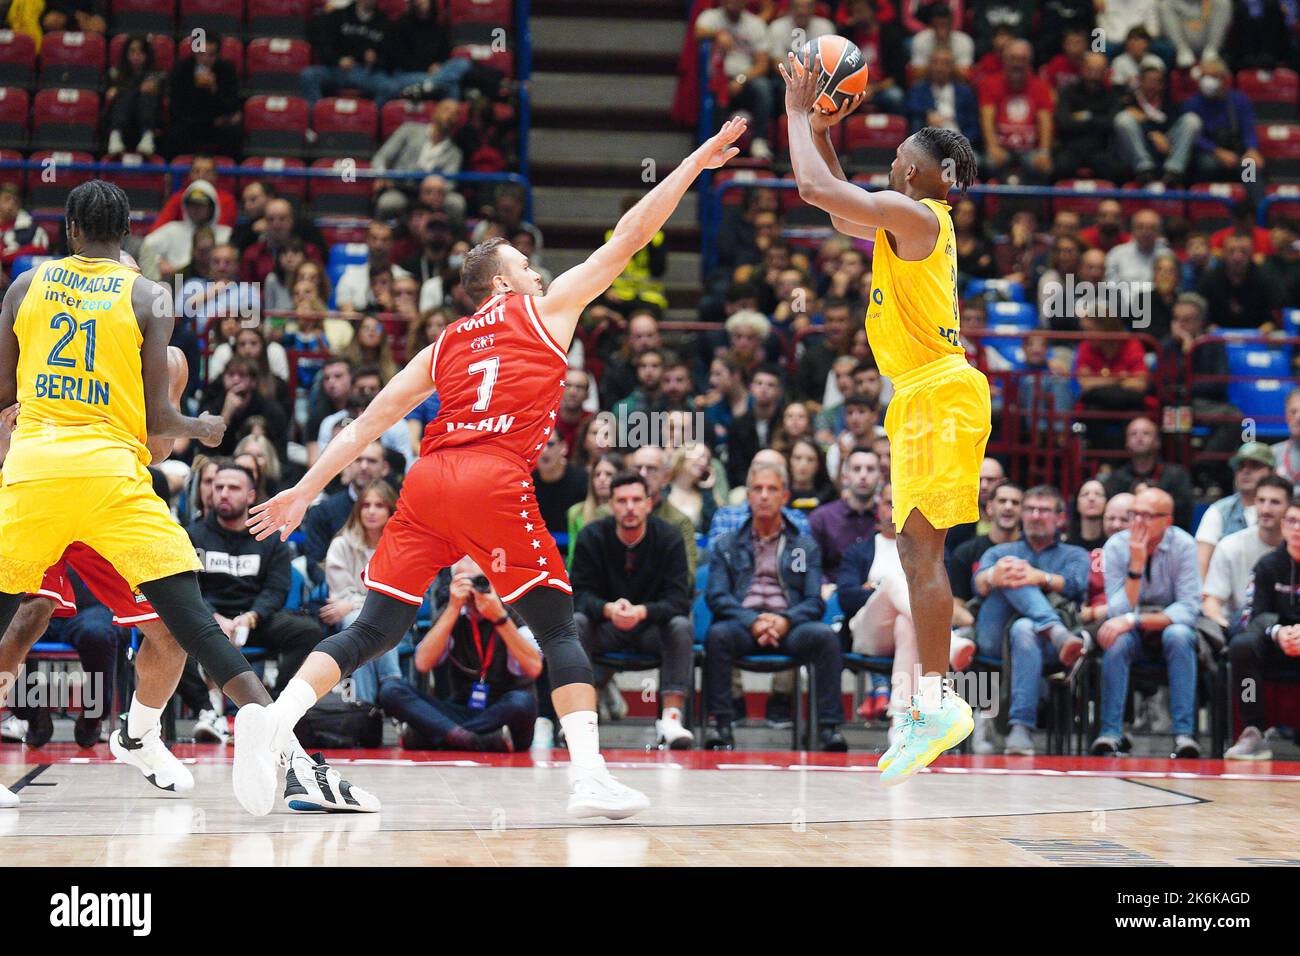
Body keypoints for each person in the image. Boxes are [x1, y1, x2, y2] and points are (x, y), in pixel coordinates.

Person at [241, 118, 748, 819]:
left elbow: (366, 425)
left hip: (427, 479)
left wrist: (303, 488)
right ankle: (589, 777)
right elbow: (629, 235)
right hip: (490, 478)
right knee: (559, 626)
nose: (535, 268)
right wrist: (694, 162)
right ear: (498, 283)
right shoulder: (544, 309)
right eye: (523, 261)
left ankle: (275, 719)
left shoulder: (442, 344)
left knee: (375, 627)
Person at [0, 181, 372, 815]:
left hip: (34, 471)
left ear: (66, 230)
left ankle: (139, 736)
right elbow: (158, 423)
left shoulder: (22, 287)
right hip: (107, 478)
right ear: (130, 238)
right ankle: (297, 764)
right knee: (191, 621)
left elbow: (7, 400)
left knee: (159, 632)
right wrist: (202, 428)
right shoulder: (149, 295)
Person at [782, 51, 990, 783]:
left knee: (922, 553)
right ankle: (931, 702)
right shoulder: (901, 223)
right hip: (921, 395)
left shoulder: (916, 213)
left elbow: (811, 186)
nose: (896, 163)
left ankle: (936, 703)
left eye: (904, 157)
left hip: (939, 392)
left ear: (928, 176)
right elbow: (836, 199)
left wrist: (796, 105)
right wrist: (821, 127)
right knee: (912, 551)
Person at [703, 458, 846, 751]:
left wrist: (785, 620)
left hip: (789, 626)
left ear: (784, 496)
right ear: (748, 496)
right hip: (744, 625)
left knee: (825, 638)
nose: (764, 496)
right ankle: (722, 726)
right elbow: (717, 596)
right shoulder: (726, 544)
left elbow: (813, 601)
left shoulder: (803, 547)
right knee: (717, 636)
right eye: (757, 489)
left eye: (772, 489)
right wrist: (752, 621)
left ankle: (828, 729)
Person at [839, 482, 977, 744]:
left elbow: (944, 599)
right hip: (869, 632)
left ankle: (899, 722)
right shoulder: (859, 550)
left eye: (898, 504)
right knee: (895, 584)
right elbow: (846, 597)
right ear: (877, 508)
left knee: (907, 621)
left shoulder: (933, 553)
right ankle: (950, 642)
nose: (893, 511)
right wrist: (880, 592)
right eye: (888, 503)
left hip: (908, 632)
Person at [571, 472, 694, 748]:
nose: (630, 507)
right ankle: (579, 720)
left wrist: (641, 612)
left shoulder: (669, 537)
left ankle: (671, 719)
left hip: (650, 629)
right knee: (577, 623)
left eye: (636, 500)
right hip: (606, 627)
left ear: (648, 504)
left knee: (681, 625)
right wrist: (608, 609)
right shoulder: (592, 535)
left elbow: (678, 599)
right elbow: (578, 594)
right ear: (611, 505)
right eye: (622, 500)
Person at [189, 464, 325, 696]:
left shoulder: (269, 537)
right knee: (168, 634)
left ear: (250, 495)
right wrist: (213, 616)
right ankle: (206, 709)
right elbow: (190, 587)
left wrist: (251, 617)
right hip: (208, 620)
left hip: (255, 620)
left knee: (307, 631)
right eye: (218, 486)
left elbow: (276, 589)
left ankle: (277, 705)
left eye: (233, 488)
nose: (223, 493)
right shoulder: (192, 535)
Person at [977, 486, 1092, 756]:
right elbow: (978, 584)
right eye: (1030, 509)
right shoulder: (1001, 552)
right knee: (1008, 569)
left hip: (1045, 649)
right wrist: (998, 575)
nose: (1035, 515)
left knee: (1024, 628)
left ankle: (1021, 728)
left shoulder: (1074, 554)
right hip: (993, 636)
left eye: (1044, 510)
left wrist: (1040, 577)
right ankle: (1055, 630)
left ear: (1060, 518)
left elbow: (1076, 585)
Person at [1094, 488, 1203, 758]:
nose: (1138, 522)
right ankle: (1111, 734)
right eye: (1135, 514)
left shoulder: (1185, 545)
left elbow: (1188, 608)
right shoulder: (1117, 546)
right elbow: (1116, 611)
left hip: (1168, 630)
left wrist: (1135, 620)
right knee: (1115, 640)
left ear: (1167, 521)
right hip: (1132, 634)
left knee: (1178, 634)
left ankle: (1183, 736)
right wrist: (1137, 565)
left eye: (1147, 515)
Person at [398, 558, 542, 751]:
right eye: (464, 582)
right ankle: (476, 739)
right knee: (392, 690)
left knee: (522, 703)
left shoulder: (514, 609)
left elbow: (534, 668)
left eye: (479, 581)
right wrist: (453, 608)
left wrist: (499, 617)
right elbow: (422, 663)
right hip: (463, 708)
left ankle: (438, 734)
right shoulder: (451, 611)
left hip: (505, 709)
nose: (473, 590)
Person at [1225, 493, 1300, 760]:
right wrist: (1279, 632)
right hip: (1274, 646)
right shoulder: (1268, 565)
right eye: (1292, 521)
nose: (1297, 528)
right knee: (1241, 646)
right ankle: (1252, 731)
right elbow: (1252, 614)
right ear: (1283, 526)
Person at [1194, 443, 1277, 580]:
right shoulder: (1218, 511)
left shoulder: (1287, 511)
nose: (1246, 471)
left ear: (1272, 471)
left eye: (1255, 465)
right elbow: (1201, 567)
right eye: (1240, 467)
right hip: (1226, 594)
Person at [1102, 416, 1195, 530]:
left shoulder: (1176, 475)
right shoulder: (1117, 478)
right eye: (1133, 434)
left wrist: (1152, 497)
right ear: (1126, 442)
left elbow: (1184, 513)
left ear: (1157, 442)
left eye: (1146, 433)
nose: (1139, 437)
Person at [104, 34, 164, 156]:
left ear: (147, 54)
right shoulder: (115, 74)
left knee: (146, 94)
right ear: (126, 54)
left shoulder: (157, 75)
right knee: (126, 94)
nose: (136, 56)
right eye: (132, 51)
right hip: (122, 122)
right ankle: (115, 135)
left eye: (141, 52)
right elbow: (108, 96)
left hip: (148, 122)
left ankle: (147, 135)